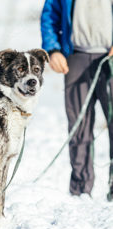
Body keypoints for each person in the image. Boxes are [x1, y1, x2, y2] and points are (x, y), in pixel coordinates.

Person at [41, 0, 113, 199]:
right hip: (75, 57)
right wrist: (53, 50)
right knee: (78, 127)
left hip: (110, 57)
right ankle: (81, 189)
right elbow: (50, 15)